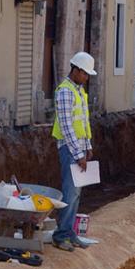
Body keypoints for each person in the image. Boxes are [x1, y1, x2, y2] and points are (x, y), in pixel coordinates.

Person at [51, 52, 98, 252]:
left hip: (79, 147)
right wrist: (78, 153)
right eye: (85, 74)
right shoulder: (65, 91)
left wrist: (87, 146)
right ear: (76, 70)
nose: (87, 78)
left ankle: (69, 233)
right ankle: (61, 235)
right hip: (69, 149)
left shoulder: (78, 90)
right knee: (70, 193)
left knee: (76, 193)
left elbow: (83, 121)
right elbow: (67, 126)